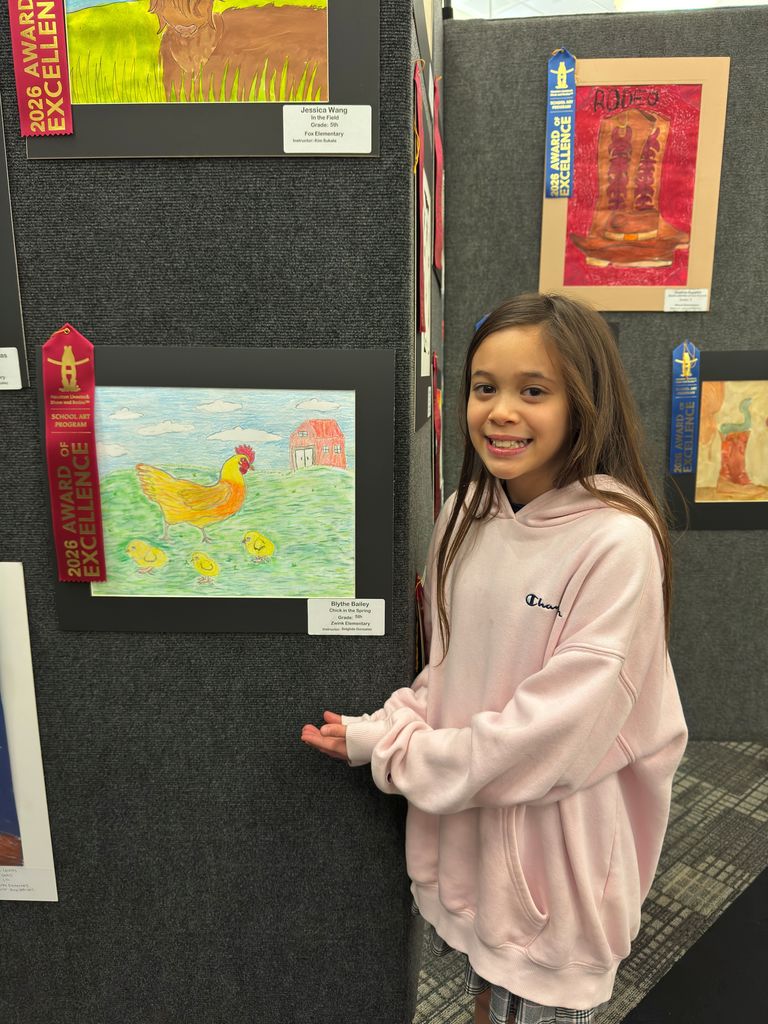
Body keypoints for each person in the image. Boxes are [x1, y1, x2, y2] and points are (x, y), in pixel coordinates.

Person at [301, 293, 688, 1024]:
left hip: (556, 879)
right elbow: (447, 677)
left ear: (584, 402)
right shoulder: (462, 519)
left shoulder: (618, 543)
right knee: (487, 1002)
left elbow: (552, 738)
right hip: (470, 853)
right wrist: (377, 731)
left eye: (532, 391)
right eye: (485, 388)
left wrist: (397, 755)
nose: (501, 412)